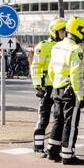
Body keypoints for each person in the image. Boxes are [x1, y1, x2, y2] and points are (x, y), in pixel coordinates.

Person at [45, 16, 84, 164]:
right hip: (70, 91)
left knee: (58, 121)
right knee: (70, 124)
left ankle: (52, 151)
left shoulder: (57, 46)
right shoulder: (75, 49)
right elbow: (76, 75)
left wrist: (57, 84)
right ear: (76, 32)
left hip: (57, 89)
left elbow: (51, 70)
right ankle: (68, 155)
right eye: (83, 32)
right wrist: (80, 96)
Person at [31, 18, 66, 155]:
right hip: (46, 88)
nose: (64, 33)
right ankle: (38, 147)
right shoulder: (43, 46)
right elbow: (35, 67)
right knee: (43, 118)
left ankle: (55, 148)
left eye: (65, 31)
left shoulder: (65, 46)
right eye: (61, 31)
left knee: (59, 118)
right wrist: (38, 86)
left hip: (59, 87)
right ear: (54, 32)